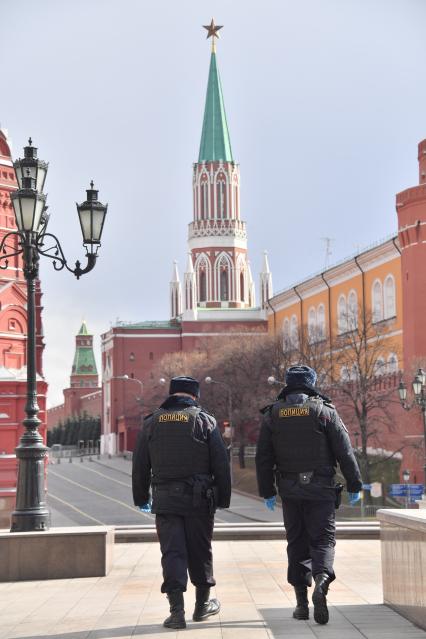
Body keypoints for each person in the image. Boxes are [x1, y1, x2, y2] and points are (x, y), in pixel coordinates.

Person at [255, 365, 362, 625]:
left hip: (290, 490)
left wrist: (268, 491)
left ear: (288, 385)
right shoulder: (325, 411)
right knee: (323, 540)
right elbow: (344, 451)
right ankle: (322, 581)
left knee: (297, 543)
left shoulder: (273, 415)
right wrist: (355, 485)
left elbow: (263, 458)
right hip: (321, 488)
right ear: (311, 383)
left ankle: (302, 605)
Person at [132, 375, 231, 630]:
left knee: (172, 552)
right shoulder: (204, 421)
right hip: (200, 500)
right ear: (194, 396)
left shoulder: (152, 423)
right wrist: (223, 498)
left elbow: (140, 464)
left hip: (166, 500)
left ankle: (176, 613)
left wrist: (141, 497)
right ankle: (202, 607)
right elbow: (221, 463)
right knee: (200, 549)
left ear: (172, 394)